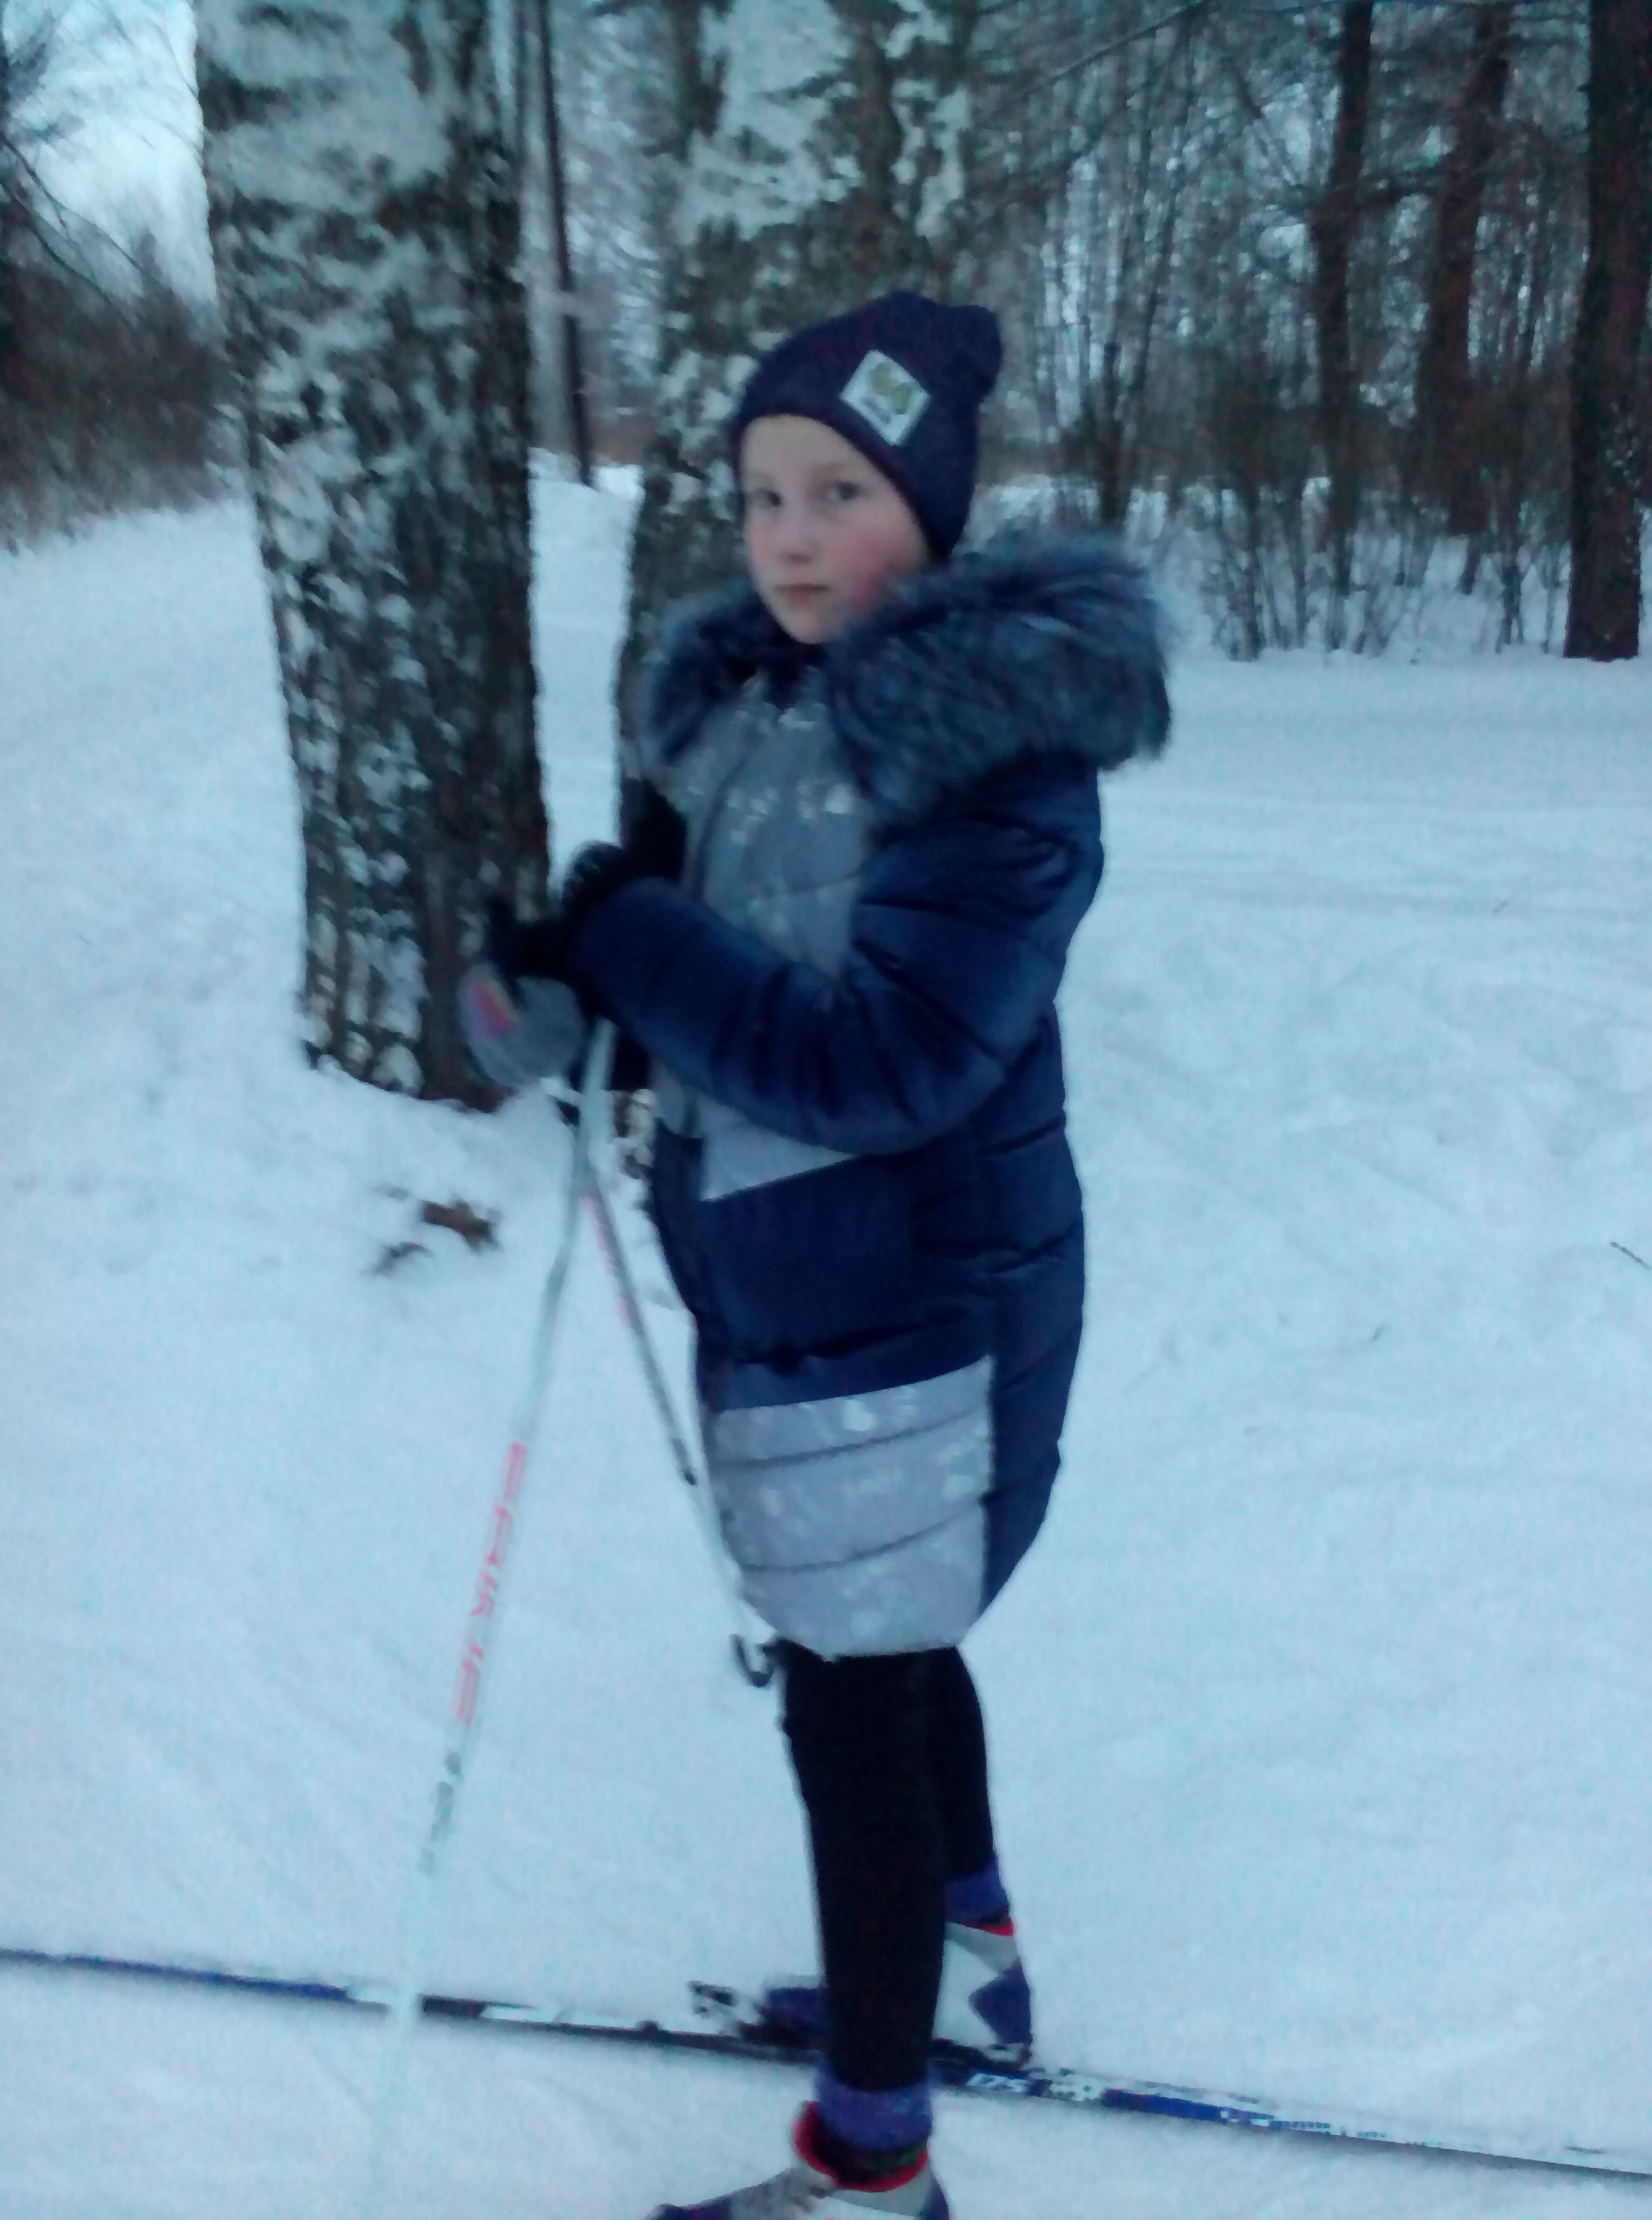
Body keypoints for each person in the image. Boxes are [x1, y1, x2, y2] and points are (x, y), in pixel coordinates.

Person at [461, 291, 1170, 2220]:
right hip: (794, 1296)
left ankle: (877, 2168)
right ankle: (964, 1965)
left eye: (840, 491)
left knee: (849, 1707)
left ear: (930, 510)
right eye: (764, 491)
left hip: (927, 1307)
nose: (788, 535)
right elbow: (661, 982)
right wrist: (543, 990)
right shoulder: (737, 717)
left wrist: (632, 939)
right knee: (882, 1647)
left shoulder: (995, 757)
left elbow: (884, 1061)